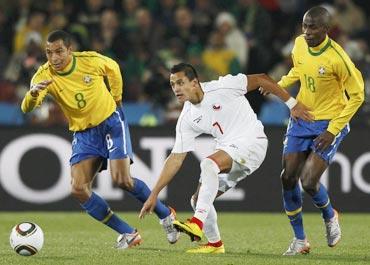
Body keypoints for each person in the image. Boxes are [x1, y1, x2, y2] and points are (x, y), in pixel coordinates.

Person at [20, 30, 179, 249]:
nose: (54, 58)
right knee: (78, 188)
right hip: (84, 134)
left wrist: (117, 97)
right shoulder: (43, 75)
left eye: (59, 51)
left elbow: (112, 67)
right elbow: (26, 108)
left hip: (110, 124)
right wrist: (33, 95)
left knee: (122, 179)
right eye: (49, 53)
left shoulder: (89, 60)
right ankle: (128, 233)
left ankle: (165, 214)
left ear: (69, 49)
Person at [139, 62, 312, 253]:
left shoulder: (224, 86)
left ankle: (197, 222)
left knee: (208, 164)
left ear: (195, 82)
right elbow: (175, 158)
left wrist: (292, 104)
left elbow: (263, 78)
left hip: (253, 142)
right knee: (198, 200)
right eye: (173, 85)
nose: (176, 89)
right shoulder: (187, 117)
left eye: (180, 83)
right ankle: (215, 244)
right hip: (231, 151)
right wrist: (154, 194)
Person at [277, 6, 364, 255]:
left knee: (309, 181)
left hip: (329, 122)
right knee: (287, 177)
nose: (307, 31)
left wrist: (333, 130)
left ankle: (330, 215)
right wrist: (279, 85)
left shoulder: (339, 58)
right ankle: (300, 240)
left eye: (313, 27)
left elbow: (357, 96)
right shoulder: (299, 44)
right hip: (302, 117)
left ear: (327, 29)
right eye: (305, 25)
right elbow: (300, 70)